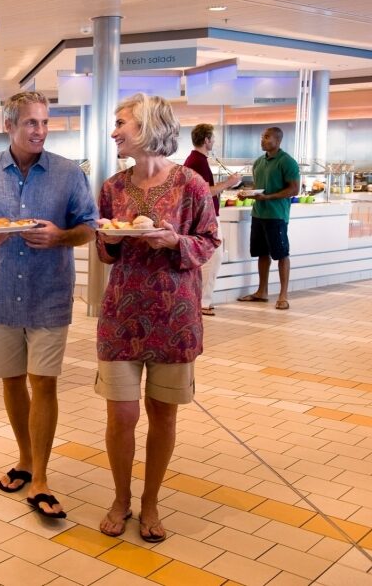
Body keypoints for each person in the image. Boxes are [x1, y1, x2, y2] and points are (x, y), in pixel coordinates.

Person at [0, 91, 97, 519]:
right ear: (9, 126)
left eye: (45, 122)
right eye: (31, 123)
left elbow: (88, 226)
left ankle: (42, 479)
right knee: (11, 381)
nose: (40, 131)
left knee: (45, 382)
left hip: (48, 292)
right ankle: (25, 458)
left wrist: (59, 236)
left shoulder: (69, 174)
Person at [95, 93, 219, 542]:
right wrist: (107, 236)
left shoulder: (192, 186)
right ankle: (120, 498)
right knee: (121, 416)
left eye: (121, 122)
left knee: (162, 416)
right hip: (121, 316)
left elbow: (207, 241)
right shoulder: (112, 187)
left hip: (174, 317)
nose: (114, 132)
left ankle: (150, 503)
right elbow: (107, 253)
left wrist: (174, 242)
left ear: (147, 126)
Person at [236, 126, 300, 310]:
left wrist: (269, 197)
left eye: (266, 137)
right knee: (262, 253)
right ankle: (262, 292)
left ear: (278, 140)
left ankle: (283, 296)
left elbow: (294, 189)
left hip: (276, 215)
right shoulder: (258, 162)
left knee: (281, 254)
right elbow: (260, 187)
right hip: (258, 214)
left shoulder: (287, 162)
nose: (262, 140)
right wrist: (249, 194)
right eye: (262, 137)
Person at [183, 124, 241, 316]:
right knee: (214, 256)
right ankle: (203, 301)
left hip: (203, 215)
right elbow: (205, 191)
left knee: (212, 256)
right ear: (206, 140)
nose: (214, 141)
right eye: (212, 138)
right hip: (206, 217)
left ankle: (201, 300)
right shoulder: (197, 161)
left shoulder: (197, 160)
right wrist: (229, 183)